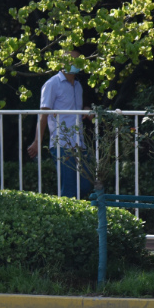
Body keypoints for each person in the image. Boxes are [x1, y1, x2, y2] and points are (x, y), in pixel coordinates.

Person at [26, 51, 91, 198]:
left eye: (77, 61)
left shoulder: (78, 86)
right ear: (62, 63)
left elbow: (75, 110)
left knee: (86, 184)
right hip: (62, 143)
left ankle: (76, 216)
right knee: (68, 188)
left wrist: (86, 110)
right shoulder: (52, 84)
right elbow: (43, 115)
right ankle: (67, 219)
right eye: (71, 61)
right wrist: (38, 141)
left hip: (79, 143)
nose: (75, 64)